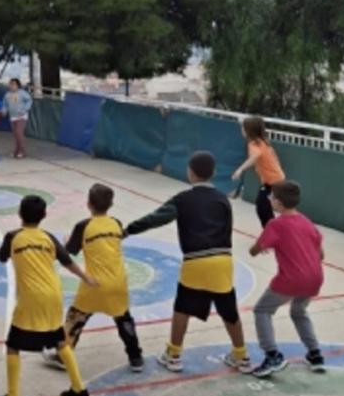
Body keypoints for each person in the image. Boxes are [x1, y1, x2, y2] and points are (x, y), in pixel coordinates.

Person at [126, 151, 252, 374]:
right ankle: (241, 356)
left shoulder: (183, 199)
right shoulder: (223, 200)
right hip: (223, 259)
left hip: (195, 260)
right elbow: (227, 230)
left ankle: (173, 355)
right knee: (228, 310)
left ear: (190, 173)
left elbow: (157, 218)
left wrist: (128, 230)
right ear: (213, 173)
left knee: (182, 308)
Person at [0, 196, 96, 396]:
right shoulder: (48, 237)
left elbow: (1, 258)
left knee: (13, 346)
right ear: (44, 216)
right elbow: (68, 262)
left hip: (31, 298)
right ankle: (79, 389)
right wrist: (86, 278)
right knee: (60, 340)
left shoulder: (12, 237)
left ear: (19, 214)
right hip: (54, 294)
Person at [42, 184, 144, 372]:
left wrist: (65, 241)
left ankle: (62, 356)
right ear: (111, 204)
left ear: (88, 203)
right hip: (118, 281)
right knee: (124, 318)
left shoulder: (83, 226)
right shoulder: (116, 222)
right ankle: (135, 357)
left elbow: (70, 251)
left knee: (75, 318)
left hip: (94, 283)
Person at [249, 180, 326, 378]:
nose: (269, 199)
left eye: (272, 197)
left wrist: (261, 246)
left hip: (292, 279)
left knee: (262, 310)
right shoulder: (307, 222)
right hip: (315, 277)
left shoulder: (276, 224)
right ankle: (315, 354)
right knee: (299, 311)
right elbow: (321, 254)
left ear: (279, 203)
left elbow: (253, 251)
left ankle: (272, 354)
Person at [232, 116, 286, 227]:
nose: (241, 129)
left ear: (249, 130)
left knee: (262, 206)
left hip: (274, 181)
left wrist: (240, 169)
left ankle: (272, 231)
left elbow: (255, 156)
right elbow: (274, 157)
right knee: (263, 207)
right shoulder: (263, 142)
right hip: (273, 180)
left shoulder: (253, 144)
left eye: (243, 128)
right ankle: (272, 230)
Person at [1, 78, 32, 159]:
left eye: (14, 84)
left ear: (18, 85)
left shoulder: (22, 93)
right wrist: (4, 111)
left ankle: (22, 151)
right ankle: (17, 151)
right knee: (16, 135)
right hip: (12, 117)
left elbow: (29, 100)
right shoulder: (7, 95)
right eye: (10, 84)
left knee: (19, 133)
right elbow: (5, 104)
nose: (12, 86)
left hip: (21, 116)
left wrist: (24, 109)